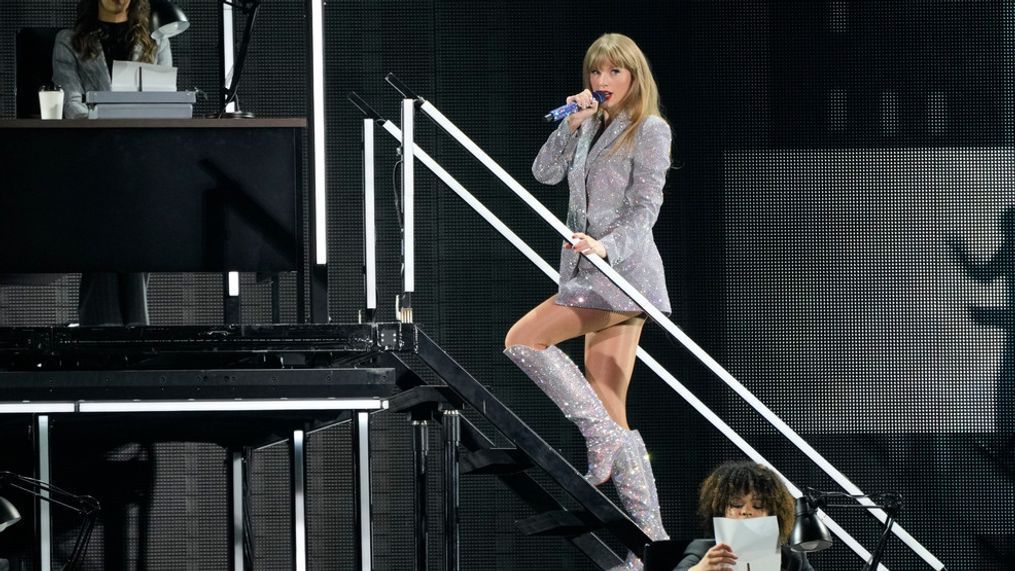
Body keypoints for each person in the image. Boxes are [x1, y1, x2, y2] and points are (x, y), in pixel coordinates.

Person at [503, 33, 672, 570]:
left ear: (634, 77)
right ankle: (650, 544)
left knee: (524, 340)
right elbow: (544, 174)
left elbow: (645, 208)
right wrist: (568, 127)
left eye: (614, 73)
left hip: (621, 272)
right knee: (611, 401)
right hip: (585, 270)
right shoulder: (588, 124)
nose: (602, 82)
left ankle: (595, 433)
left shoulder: (650, 129)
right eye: (596, 72)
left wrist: (606, 246)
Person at [52, 0, 171, 325]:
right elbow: (70, 104)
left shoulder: (156, 39)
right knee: (102, 254)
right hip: (95, 160)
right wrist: (110, 118)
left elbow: (165, 103)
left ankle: (131, 342)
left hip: (140, 163)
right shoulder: (70, 40)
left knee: (134, 255)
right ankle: (107, 342)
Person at [674, 461, 815, 571]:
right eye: (736, 505)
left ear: (773, 512)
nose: (746, 512)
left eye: (758, 506)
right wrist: (698, 570)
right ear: (720, 509)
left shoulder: (792, 557)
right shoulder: (704, 551)